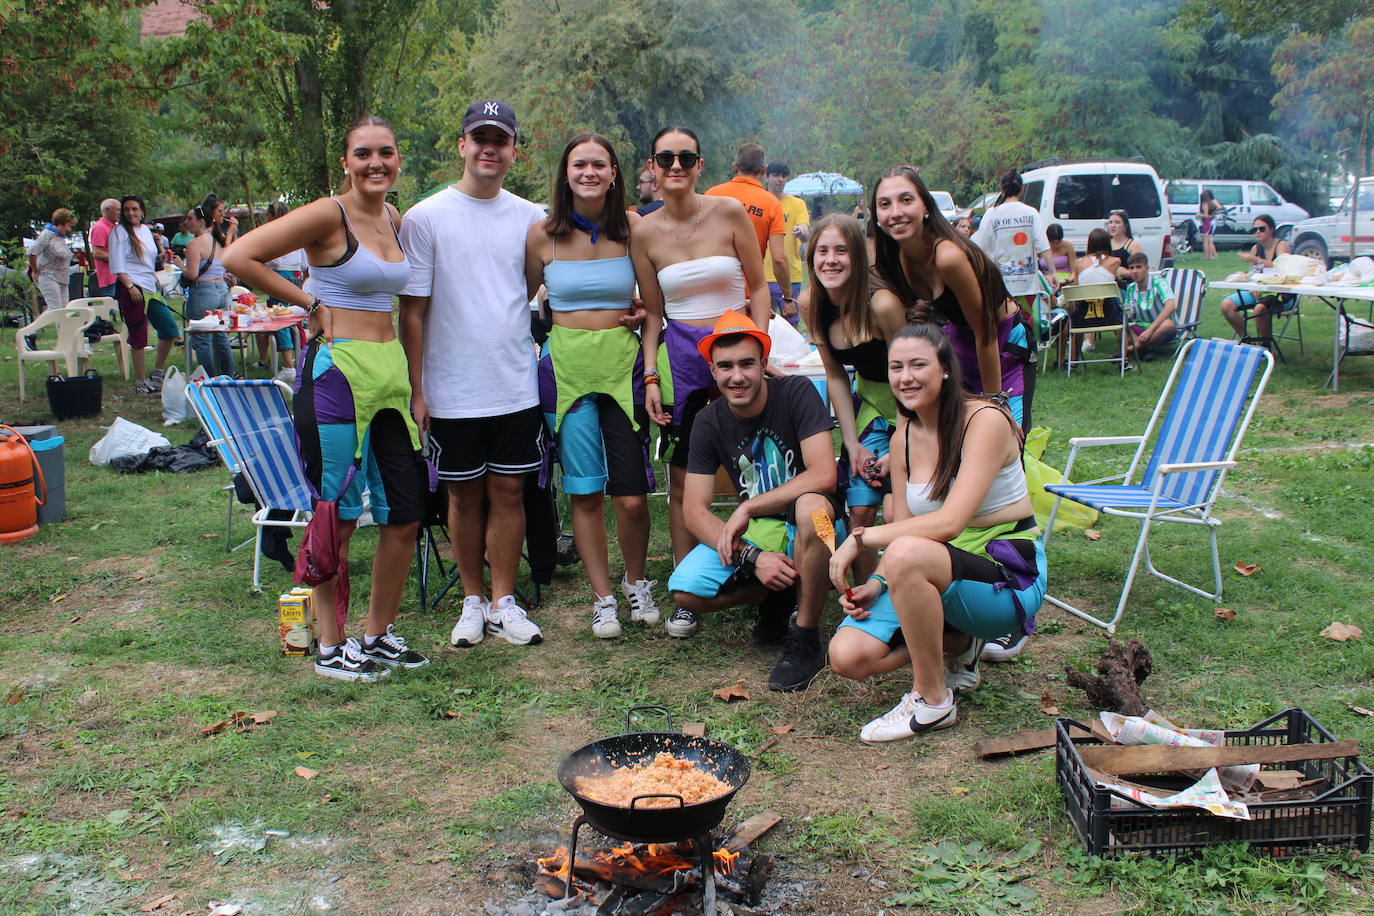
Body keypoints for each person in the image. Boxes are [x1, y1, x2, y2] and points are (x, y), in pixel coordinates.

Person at [223, 115, 430, 682]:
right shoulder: (327, 213)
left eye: (386, 153)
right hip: (337, 374)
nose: (375, 163)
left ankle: (379, 633)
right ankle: (331, 645)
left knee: (403, 513)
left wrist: (418, 387)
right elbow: (239, 257)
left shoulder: (392, 217)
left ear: (397, 159)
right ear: (346, 162)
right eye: (363, 154)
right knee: (335, 511)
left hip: (389, 376)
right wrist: (308, 304)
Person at [827, 322, 1045, 742]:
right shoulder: (904, 434)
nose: (905, 377)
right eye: (896, 367)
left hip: (1005, 574)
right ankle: (962, 642)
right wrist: (876, 582)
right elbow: (905, 527)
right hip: (934, 567)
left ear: (945, 368)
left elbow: (948, 524)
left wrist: (858, 537)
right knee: (847, 657)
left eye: (918, 365)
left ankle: (932, 701)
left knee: (907, 552)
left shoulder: (984, 420)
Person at [399, 99, 548, 649]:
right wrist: (418, 389)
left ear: (512, 150)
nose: (489, 148)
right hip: (451, 386)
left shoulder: (530, 217)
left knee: (510, 492)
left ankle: (505, 602)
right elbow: (411, 311)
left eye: (500, 140)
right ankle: (472, 600)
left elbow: (534, 286)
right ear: (461, 145)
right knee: (462, 497)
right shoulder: (425, 216)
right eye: (479, 138)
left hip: (512, 380)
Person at [631, 125, 772, 639]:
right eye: (665, 156)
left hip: (739, 350)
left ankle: (763, 575)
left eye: (684, 156)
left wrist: (758, 347)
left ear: (700, 164)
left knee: (758, 471)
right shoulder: (644, 232)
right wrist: (650, 374)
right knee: (683, 479)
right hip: (684, 363)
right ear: (651, 164)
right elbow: (653, 314)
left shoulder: (729, 212)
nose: (674, 165)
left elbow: (759, 286)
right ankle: (688, 588)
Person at [525, 132, 660, 638]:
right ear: (565, 173)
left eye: (599, 165)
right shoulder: (542, 235)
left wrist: (649, 370)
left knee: (630, 497)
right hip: (566, 373)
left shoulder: (632, 227)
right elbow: (524, 301)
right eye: (579, 164)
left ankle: (637, 583)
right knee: (584, 493)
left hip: (623, 370)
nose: (589, 173)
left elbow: (653, 309)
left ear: (614, 173)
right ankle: (602, 598)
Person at [668, 311, 842, 691]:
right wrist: (753, 557)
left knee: (812, 509)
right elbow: (693, 511)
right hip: (764, 534)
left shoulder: (796, 391)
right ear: (712, 372)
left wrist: (748, 507)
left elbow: (823, 475)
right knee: (685, 592)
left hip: (826, 527)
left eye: (747, 363)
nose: (737, 376)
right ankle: (779, 591)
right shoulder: (708, 421)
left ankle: (804, 636)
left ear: (764, 364)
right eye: (725, 366)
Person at [870, 165, 1035, 432]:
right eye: (885, 204)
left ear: (926, 206)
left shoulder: (948, 257)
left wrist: (995, 405)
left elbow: (986, 333)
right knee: (957, 437)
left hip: (1002, 344)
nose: (896, 212)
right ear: (876, 214)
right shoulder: (898, 259)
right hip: (959, 343)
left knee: (1002, 439)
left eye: (906, 200)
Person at [802, 214, 905, 581]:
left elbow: (914, 377)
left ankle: (901, 587)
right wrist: (851, 444)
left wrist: (902, 447)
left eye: (841, 251)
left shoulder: (883, 305)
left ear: (858, 257)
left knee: (896, 512)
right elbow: (835, 376)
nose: (831, 259)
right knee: (860, 510)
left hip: (916, 410)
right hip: (871, 409)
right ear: (811, 257)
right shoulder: (810, 303)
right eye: (823, 250)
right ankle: (864, 592)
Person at [705, 143, 790, 317]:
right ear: (763, 170)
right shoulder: (771, 203)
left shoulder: (710, 196)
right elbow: (779, 258)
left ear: (735, 167)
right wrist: (787, 297)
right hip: (749, 297)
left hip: (710, 293)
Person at [109, 195, 180, 394]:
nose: (131, 213)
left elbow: (146, 260)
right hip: (132, 287)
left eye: (135, 209)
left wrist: (161, 256)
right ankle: (141, 382)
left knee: (169, 328)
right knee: (139, 335)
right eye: (127, 210)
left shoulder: (146, 231)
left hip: (151, 287)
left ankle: (157, 371)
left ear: (142, 211)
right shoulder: (119, 232)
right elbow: (117, 264)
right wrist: (130, 286)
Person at [972, 171, 1051, 314]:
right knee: (1025, 321)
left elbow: (980, 246)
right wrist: (1053, 273)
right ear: (1022, 190)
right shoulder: (1031, 212)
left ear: (1002, 189)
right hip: (1027, 284)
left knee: (1004, 324)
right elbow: (1043, 245)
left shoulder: (991, 213)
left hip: (1000, 283)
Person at [175, 203, 234, 377]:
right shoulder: (219, 240)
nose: (187, 223)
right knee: (220, 336)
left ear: (201, 221)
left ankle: (209, 379)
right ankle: (228, 376)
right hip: (221, 291)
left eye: (190, 218)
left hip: (203, 292)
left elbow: (191, 274)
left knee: (202, 339)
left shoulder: (195, 244)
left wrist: (179, 264)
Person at [1219, 214, 1294, 343]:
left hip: (1280, 292)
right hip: (1259, 291)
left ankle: (1265, 345)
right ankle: (1247, 338)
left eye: (1262, 229)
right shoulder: (1256, 248)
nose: (1258, 232)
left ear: (1271, 229)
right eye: (1255, 230)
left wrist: (1255, 259)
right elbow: (1253, 273)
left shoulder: (1282, 246)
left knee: (1259, 309)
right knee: (1226, 305)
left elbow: (1282, 268)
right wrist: (1246, 279)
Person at [258, 201, 303, 372]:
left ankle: (288, 366)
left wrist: (260, 262)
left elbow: (275, 260)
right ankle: (298, 359)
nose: (265, 217)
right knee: (294, 318)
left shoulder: (274, 232)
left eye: (267, 214)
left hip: (280, 275)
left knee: (280, 319)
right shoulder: (296, 232)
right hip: (295, 275)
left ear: (272, 215)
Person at [763, 161, 810, 325]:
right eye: (776, 175)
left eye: (783, 176)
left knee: (791, 326)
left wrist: (802, 231)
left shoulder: (798, 204)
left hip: (791, 275)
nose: (780, 180)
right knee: (762, 326)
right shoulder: (760, 203)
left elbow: (805, 232)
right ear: (766, 177)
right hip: (762, 276)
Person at [1070, 228, 1125, 359]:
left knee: (1073, 322)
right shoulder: (1116, 261)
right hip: (1109, 315)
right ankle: (1124, 359)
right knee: (1123, 324)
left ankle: (1072, 364)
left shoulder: (1078, 264)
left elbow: (1077, 289)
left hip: (1083, 317)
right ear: (1107, 243)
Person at [1121, 251, 1177, 356]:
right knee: (1122, 327)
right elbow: (1129, 314)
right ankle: (1147, 348)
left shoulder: (1159, 283)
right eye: (1131, 268)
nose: (1134, 271)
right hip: (1141, 326)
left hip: (1160, 327)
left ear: (1147, 268)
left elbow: (1171, 306)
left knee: (1168, 324)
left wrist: (1150, 331)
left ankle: (1132, 349)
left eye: (1138, 267)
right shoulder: (1131, 288)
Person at [28, 208, 75, 310]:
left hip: (63, 278)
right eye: (68, 225)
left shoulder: (59, 237)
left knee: (65, 310)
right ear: (60, 223)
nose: (69, 229)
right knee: (56, 309)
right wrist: (35, 271)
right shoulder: (47, 235)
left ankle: (63, 327)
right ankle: (39, 325)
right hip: (48, 276)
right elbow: (32, 252)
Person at [89, 198, 120, 299]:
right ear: (107, 211)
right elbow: (97, 253)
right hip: (108, 278)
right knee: (110, 308)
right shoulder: (100, 228)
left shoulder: (113, 227)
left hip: (117, 275)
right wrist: (120, 259)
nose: (120, 213)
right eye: (118, 210)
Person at [1106, 210, 1144, 280]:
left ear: (1125, 226)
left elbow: (1141, 271)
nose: (1113, 226)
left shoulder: (1133, 245)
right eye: (1110, 222)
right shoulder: (1105, 244)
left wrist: (1124, 272)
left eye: (1117, 222)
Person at [1042, 223, 1077, 287]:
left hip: (1065, 281)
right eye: (1052, 242)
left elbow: (1074, 271)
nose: (1055, 245)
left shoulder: (1068, 246)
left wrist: (1067, 280)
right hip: (1046, 282)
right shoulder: (1041, 247)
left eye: (1058, 242)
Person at [1197, 189, 1221, 261]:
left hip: (1206, 222)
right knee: (1210, 240)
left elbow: (1206, 215)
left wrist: (1199, 215)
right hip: (1213, 221)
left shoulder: (1205, 204)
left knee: (1205, 240)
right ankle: (1212, 256)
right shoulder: (1213, 201)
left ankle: (1206, 257)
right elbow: (1219, 207)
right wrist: (1213, 214)